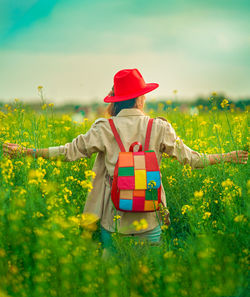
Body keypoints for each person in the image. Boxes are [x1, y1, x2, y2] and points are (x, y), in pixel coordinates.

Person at [3, 68, 248, 250]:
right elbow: (192, 159)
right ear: (140, 98)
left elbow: (68, 152)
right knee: (149, 281)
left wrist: (26, 151)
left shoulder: (104, 128)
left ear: (117, 99)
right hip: (150, 219)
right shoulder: (159, 127)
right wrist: (227, 156)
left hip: (114, 221)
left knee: (115, 283)